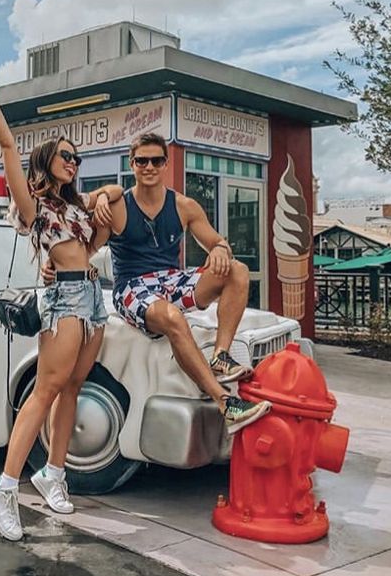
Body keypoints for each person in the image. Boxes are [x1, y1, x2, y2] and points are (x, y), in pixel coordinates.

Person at [0, 63, 122, 541]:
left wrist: (105, 201)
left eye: (77, 158)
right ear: (46, 162)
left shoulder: (77, 208)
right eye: (65, 156)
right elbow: (8, 147)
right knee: (46, 389)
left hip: (94, 294)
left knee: (74, 386)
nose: (73, 163)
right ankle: (4, 485)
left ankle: (53, 473)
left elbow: (105, 230)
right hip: (63, 298)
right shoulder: (35, 206)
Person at [103, 132, 271, 434]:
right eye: (142, 161)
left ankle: (221, 355)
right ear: (132, 164)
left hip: (170, 279)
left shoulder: (184, 206)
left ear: (166, 164)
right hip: (132, 286)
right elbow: (85, 248)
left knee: (238, 270)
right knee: (171, 316)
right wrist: (56, 265)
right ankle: (226, 404)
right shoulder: (118, 207)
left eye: (156, 160)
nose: (149, 167)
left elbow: (218, 241)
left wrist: (220, 249)